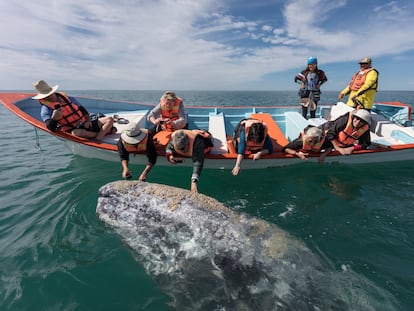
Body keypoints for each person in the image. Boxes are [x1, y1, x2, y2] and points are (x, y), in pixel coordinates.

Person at [32, 80, 114, 140]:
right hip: (74, 129)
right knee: (76, 133)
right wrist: (54, 119)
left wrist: (88, 121)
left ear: (53, 92)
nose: (49, 97)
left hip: (85, 123)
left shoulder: (68, 99)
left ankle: (101, 134)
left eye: (50, 94)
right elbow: (50, 128)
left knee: (109, 119)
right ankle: (102, 134)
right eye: (46, 96)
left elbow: (83, 110)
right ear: (43, 98)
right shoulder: (45, 109)